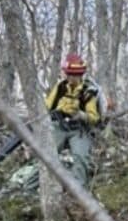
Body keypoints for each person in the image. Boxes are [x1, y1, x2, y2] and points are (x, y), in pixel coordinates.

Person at [41, 52, 102, 188]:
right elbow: (46, 107)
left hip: (79, 130)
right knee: (46, 154)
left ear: (81, 75)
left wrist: (82, 115)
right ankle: (38, 186)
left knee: (80, 157)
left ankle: (79, 189)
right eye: (70, 74)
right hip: (59, 125)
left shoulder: (88, 91)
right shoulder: (60, 87)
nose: (72, 77)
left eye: (76, 74)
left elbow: (94, 118)